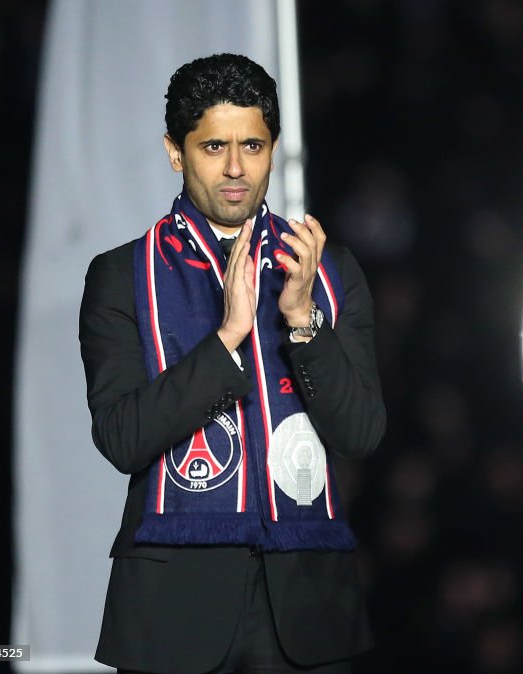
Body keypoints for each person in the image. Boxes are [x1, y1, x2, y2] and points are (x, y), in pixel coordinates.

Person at [79, 53, 386, 674]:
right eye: (214, 146)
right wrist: (227, 338)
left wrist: (302, 323)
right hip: (172, 614)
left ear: (275, 147)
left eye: (253, 144)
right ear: (175, 151)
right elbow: (121, 438)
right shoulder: (121, 275)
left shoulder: (328, 272)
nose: (237, 169)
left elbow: (361, 434)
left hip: (309, 613)